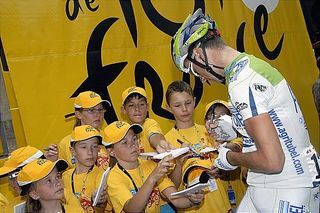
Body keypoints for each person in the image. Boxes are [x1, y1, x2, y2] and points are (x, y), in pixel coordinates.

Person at [171, 8, 320, 212]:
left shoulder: (243, 83)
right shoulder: (247, 67)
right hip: (267, 185)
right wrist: (234, 141)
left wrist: (229, 159)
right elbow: (273, 132)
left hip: (287, 187)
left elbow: (272, 161)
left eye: (194, 69)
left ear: (198, 53)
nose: (202, 78)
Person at [104, 120, 205, 213]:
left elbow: (176, 199)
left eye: (134, 139)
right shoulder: (113, 177)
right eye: (124, 142)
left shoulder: (151, 165)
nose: (133, 145)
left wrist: (193, 200)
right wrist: (152, 178)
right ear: (111, 152)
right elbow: (132, 209)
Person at [164, 80, 231, 213]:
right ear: (168, 107)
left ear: (194, 101)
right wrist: (178, 164)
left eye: (188, 103)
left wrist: (219, 169)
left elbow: (227, 170)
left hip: (222, 206)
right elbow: (171, 186)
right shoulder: (166, 142)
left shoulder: (210, 131)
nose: (184, 109)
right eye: (177, 105)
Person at [45, 91, 110, 170]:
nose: (98, 114)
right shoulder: (66, 143)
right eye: (91, 110)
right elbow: (60, 175)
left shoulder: (110, 137)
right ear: (78, 114)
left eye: (100, 110)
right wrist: (52, 162)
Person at [204, 100, 247, 209]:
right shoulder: (204, 144)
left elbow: (236, 147)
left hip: (244, 201)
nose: (217, 120)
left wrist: (223, 148)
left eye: (222, 115)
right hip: (220, 204)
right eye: (212, 116)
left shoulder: (239, 138)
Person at [62, 125, 109, 212]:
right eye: (84, 147)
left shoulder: (103, 176)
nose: (90, 152)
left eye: (94, 146)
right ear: (72, 151)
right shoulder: (65, 176)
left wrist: (99, 203)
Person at [121, 86, 173, 153]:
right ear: (123, 109)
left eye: (141, 104)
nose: (137, 109)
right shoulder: (121, 130)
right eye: (131, 105)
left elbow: (154, 135)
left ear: (147, 107)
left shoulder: (150, 123)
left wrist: (160, 143)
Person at [0, 146, 43, 212]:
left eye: (13, 175)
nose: (10, 183)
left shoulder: (61, 195)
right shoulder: (13, 207)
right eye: (9, 177)